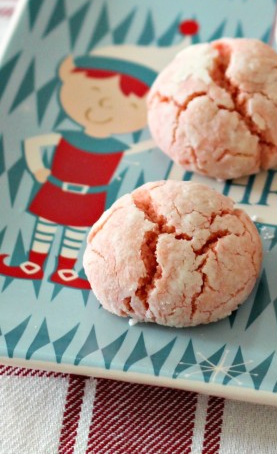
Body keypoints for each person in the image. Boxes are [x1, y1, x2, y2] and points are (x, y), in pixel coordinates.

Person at [0, 24, 198, 288]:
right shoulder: (66, 136)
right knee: (45, 227)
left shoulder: (117, 146)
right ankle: (33, 263)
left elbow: (141, 148)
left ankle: (65, 271)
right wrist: (38, 170)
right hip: (57, 188)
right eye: (95, 92)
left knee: (74, 236)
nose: (104, 106)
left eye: (129, 104)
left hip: (91, 195)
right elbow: (35, 143)